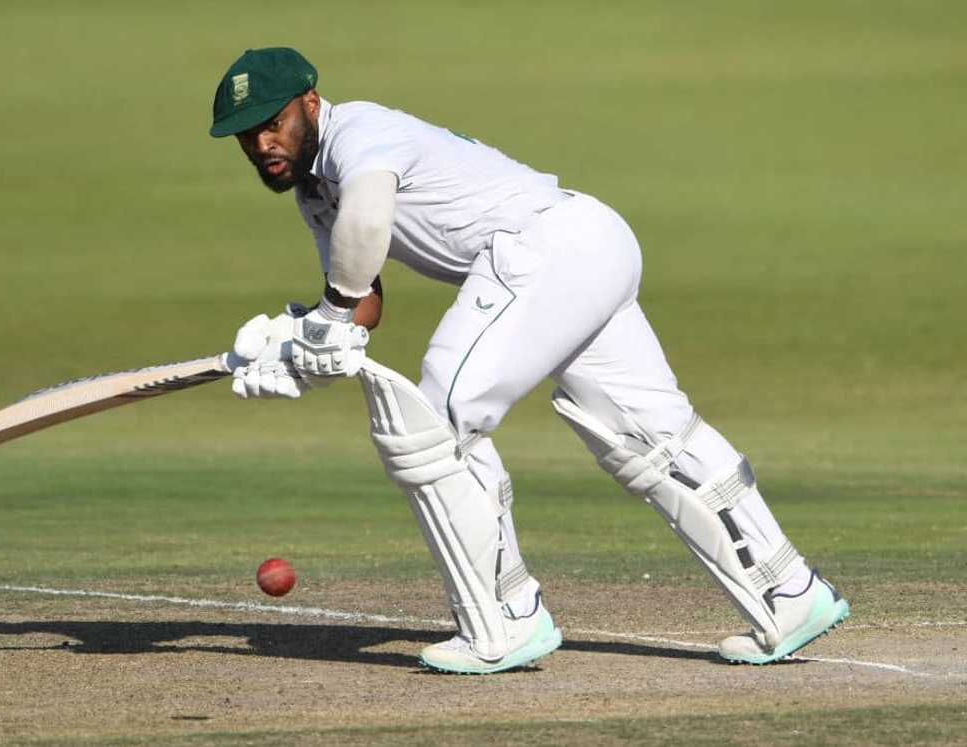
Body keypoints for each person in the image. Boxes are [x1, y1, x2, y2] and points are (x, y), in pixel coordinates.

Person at [209, 47, 849, 674]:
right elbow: (361, 298)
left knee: (437, 423)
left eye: (273, 122)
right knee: (648, 437)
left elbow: (368, 224)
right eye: (246, 134)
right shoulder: (315, 191)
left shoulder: (360, 133)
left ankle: (507, 617)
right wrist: (297, 344)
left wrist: (328, 318)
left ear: (311, 105)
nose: (263, 142)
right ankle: (789, 592)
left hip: (543, 249)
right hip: (584, 248)